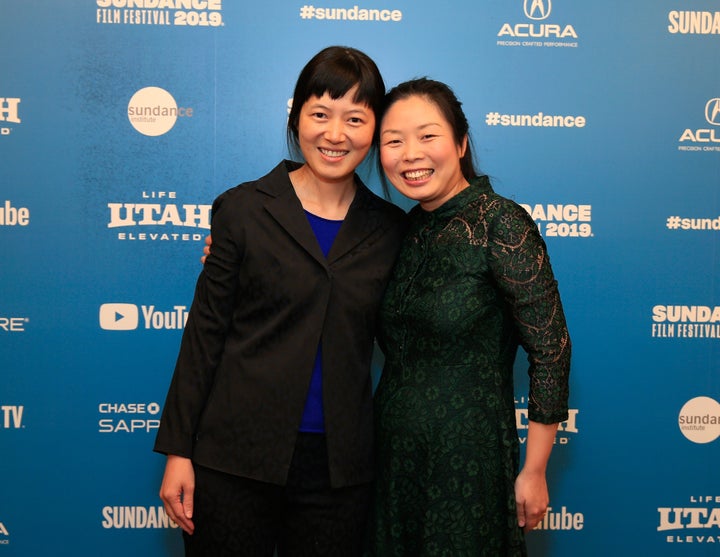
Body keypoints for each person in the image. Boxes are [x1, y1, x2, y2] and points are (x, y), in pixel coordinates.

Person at [154, 46, 407, 557]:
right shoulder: (244, 209)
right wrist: (178, 451)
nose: (335, 135)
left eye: (355, 119)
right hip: (232, 459)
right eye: (320, 114)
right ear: (296, 119)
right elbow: (204, 336)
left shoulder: (393, 231)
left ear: (375, 130)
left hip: (339, 472)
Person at [366, 78, 571, 556]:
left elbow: (551, 350)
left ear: (460, 143)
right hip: (390, 456)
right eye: (393, 142)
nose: (410, 154)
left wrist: (535, 469)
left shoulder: (500, 222)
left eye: (427, 135)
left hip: (468, 458)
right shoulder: (402, 230)